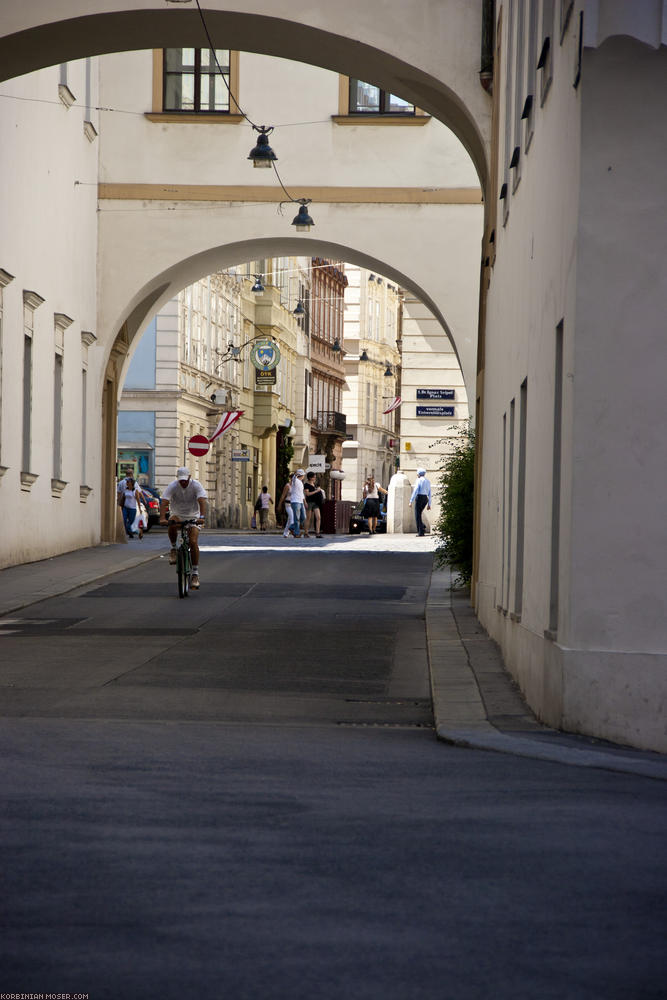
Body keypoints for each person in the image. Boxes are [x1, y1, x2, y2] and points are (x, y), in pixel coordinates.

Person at [159, 467, 207, 589]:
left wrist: (202, 517)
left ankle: (195, 574)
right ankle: (174, 549)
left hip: (193, 516)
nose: (183, 482)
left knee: (193, 541)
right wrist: (162, 518)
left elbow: (202, 501)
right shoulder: (173, 486)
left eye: (185, 480)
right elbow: (164, 501)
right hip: (178, 515)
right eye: (181, 480)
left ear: (189, 477)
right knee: (171, 522)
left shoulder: (196, 485)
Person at [118, 474, 143, 539]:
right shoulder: (125, 490)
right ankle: (129, 532)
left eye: (128, 482)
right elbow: (122, 498)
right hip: (125, 508)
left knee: (131, 522)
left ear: (131, 483)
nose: (126, 483)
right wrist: (119, 504)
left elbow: (138, 500)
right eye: (126, 482)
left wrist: (140, 509)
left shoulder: (135, 491)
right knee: (123, 520)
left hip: (132, 509)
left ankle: (133, 531)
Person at [409, 468, 432, 536]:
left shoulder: (418, 480)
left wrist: (411, 500)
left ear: (419, 474)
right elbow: (430, 493)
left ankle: (421, 532)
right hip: (425, 498)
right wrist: (429, 504)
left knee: (417, 515)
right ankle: (422, 526)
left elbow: (415, 490)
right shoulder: (428, 481)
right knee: (419, 514)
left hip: (419, 497)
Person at [304, 472, 325, 538]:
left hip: (316, 502)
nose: (315, 478)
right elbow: (307, 494)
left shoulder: (315, 484)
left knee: (318, 517)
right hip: (309, 502)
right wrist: (316, 491)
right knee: (308, 518)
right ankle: (306, 533)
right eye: (314, 477)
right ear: (310, 478)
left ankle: (317, 533)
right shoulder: (306, 485)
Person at [289, 469, 306, 538]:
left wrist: (304, 502)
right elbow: (293, 478)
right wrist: (296, 473)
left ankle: (292, 527)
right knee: (297, 518)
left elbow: (301, 493)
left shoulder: (301, 482)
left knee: (303, 517)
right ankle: (296, 533)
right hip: (295, 501)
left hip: (300, 501)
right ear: (301, 475)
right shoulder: (295, 481)